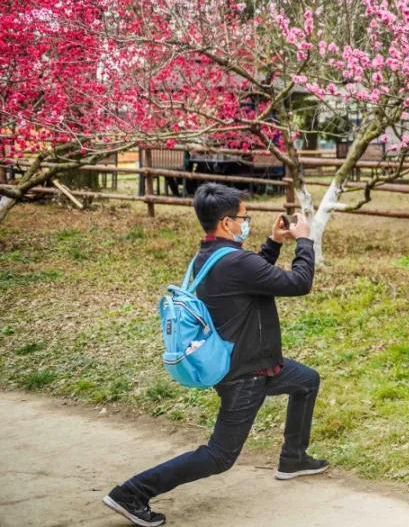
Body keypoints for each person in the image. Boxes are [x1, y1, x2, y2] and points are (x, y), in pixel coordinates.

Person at [103, 183, 324, 527]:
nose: (246, 221)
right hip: (245, 375)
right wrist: (304, 240)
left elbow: (255, 279)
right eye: (243, 217)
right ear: (225, 223)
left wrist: (274, 243)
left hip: (260, 364)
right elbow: (299, 283)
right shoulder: (236, 261)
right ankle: (130, 493)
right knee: (220, 456)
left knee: (307, 381)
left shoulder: (208, 257)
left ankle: (293, 458)